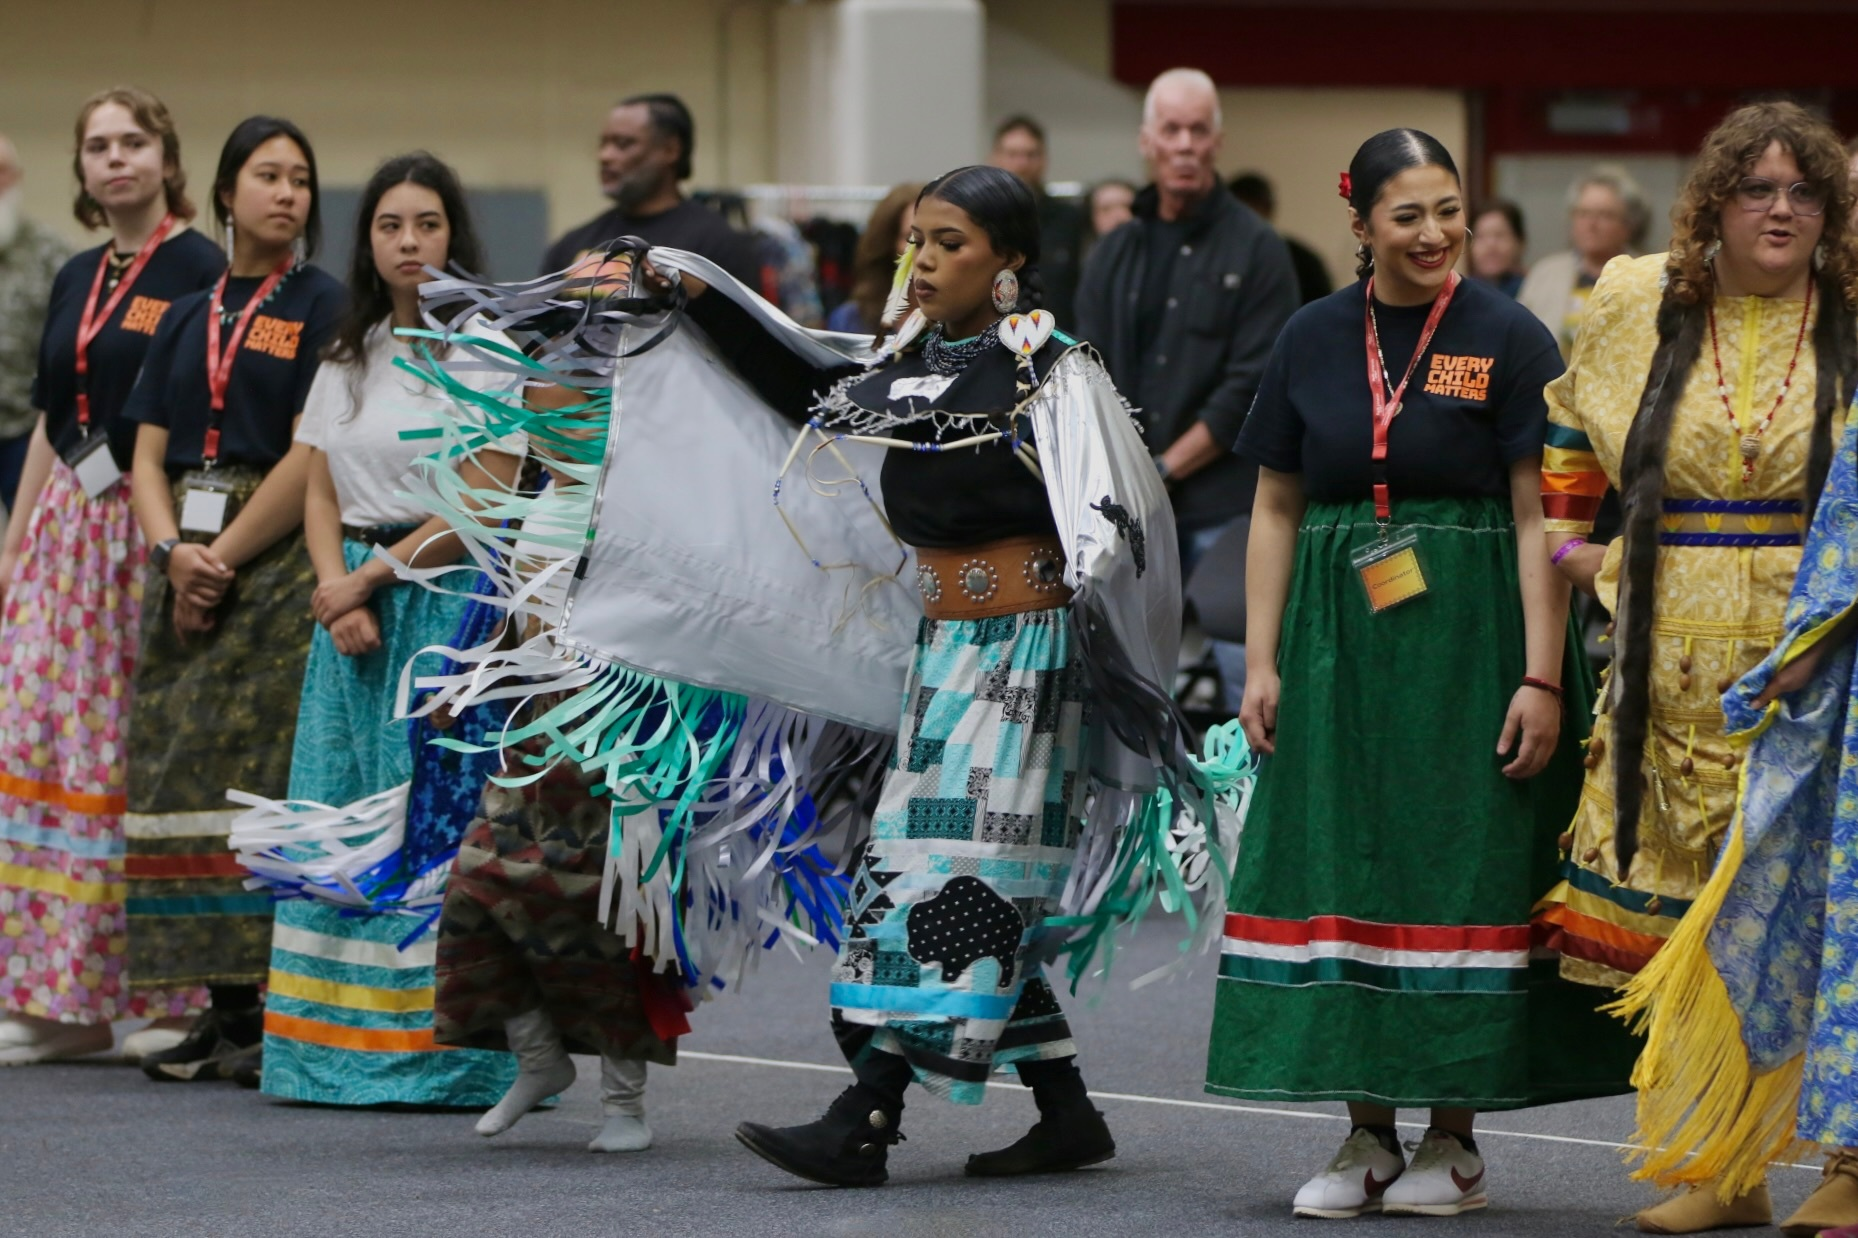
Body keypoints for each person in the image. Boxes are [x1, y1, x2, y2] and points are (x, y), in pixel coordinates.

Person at [589, 164, 1226, 1186]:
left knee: (946, 881)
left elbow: (1125, 525)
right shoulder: (908, 360)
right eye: (917, 241)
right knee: (950, 880)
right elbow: (804, 388)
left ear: (1008, 261)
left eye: (952, 243)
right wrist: (700, 301)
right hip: (944, 655)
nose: (924, 261)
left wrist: (1110, 669)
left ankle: (865, 1115)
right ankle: (1066, 1112)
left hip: (1030, 660)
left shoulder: (1055, 373)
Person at [1204, 128, 1638, 1221]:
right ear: (1359, 224)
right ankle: (1363, 1130)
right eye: (1408, 214)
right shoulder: (1309, 338)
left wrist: (1543, 676)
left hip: (1475, 643)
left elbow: (1545, 508)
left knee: (1461, 864)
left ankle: (1452, 1136)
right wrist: (1258, 661)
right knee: (1340, 858)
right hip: (1333, 642)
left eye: (1448, 208)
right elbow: (1273, 505)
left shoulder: (1506, 333)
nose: (1436, 232)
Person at [1533, 101, 1858, 1237]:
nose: (1779, 210)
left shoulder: (1851, 320)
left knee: (1819, 908)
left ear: (1829, 211)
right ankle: (1717, 1163)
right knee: (1688, 916)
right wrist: (1577, 552)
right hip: (1664, 665)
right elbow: (1568, 439)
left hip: (1820, 669)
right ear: (1714, 200)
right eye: (1756, 188)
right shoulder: (1636, 305)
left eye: (1802, 192)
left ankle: (1848, 1160)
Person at [229, 152, 526, 1107]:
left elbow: (487, 491)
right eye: (391, 225)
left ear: (455, 236)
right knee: (341, 815)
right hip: (349, 613)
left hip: (443, 610)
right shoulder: (350, 349)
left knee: (431, 822)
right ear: (369, 241)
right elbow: (315, 476)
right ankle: (332, 1050)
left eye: (428, 224)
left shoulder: (487, 352)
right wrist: (333, 584)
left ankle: (446, 1056)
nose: (409, 241)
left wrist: (369, 577)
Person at [120, 116, 345, 1084]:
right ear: (224, 191)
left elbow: (310, 452)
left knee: (263, 771)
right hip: (182, 548)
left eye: (301, 178)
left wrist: (221, 560)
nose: (286, 193)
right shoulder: (185, 310)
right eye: (267, 175)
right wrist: (173, 549)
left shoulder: (328, 301)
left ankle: (273, 1002)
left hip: (276, 548)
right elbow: (143, 453)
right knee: (183, 772)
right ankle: (222, 1007)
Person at [0, 87, 222, 1066]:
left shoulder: (199, 267)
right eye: (98, 145)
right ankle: (66, 1000)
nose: (116, 157)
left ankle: (169, 993)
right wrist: (14, 549)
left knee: (134, 763)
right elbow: (55, 417)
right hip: (62, 537)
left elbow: (211, 418)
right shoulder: (74, 273)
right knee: (45, 756)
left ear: (166, 158)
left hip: (147, 530)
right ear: (82, 169)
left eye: (134, 141)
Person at [1075, 67, 1298, 713]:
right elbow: (1085, 373)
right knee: (1124, 681)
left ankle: (1251, 807)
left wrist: (1164, 468)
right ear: (1147, 141)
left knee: (1246, 679)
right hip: (1123, 504)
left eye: (1198, 130)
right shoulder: (1114, 252)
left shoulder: (1259, 251)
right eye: (1171, 129)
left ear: (1217, 141)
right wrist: (1127, 476)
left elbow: (1250, 387)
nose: (1184, 144)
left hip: (1225, 507)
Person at [539, 93, 758, 286]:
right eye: (603, 144)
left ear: (670, 150)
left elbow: (742, 330)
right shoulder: (573, 244)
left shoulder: (717, 244)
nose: (605, 156)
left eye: (623, 144)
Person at [0, 135, 72, 514]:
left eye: (1, 173)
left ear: (17, 176)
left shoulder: (50, 252)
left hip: (26, 431)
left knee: (26, 538)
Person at [1518, 163, 1647, 359]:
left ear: (1629, 224)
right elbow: (1519, 341)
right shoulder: (1545, 274)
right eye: (1583, 214)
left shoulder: (1647, 275)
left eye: (1604, 215)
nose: (1591, 224)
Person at [988, 115, 1083, 323]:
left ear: (1044, 160)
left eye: (1031, 154)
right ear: (994, 158)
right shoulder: (979, 220)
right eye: (1013, 154)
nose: (1022, 164)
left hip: (1057, 338)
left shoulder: (1071, 220)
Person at [825, 182, 920, 335]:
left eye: (936, 236)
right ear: (888, 244)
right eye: (910, 237)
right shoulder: (850, 320)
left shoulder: (961, 318)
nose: (925, 249)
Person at [1229, 170, 1333, 305]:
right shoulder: (1210, 259)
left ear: (1268, 209)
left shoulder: (1304, 263)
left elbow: (1324, 315)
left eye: (1252, 209)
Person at [1469, 199, 1528, 298]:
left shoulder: (1534, 289)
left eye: (1500, 235)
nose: (1490, 245)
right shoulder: (1461, 294)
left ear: (1520, 242)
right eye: (1481, 236)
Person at [1083, 178, 1135, 260]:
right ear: (1093, 217)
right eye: (1106, 209)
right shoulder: (1086, 259)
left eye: (1127, 207)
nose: (1118, 216)